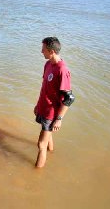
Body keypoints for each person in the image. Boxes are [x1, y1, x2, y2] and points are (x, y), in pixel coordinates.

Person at [34, 37, 75, 168]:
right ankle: (51, 153)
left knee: (41, 145)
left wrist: (59, 118)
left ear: (51, 51)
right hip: (43, 107)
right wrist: (38, 104)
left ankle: (36, 175)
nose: (41, 52)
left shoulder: (62, 70)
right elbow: (45, 86)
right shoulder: (48, 64)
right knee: (47, 135)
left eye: (43, 49)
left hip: (51, 113)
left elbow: (69, 98)